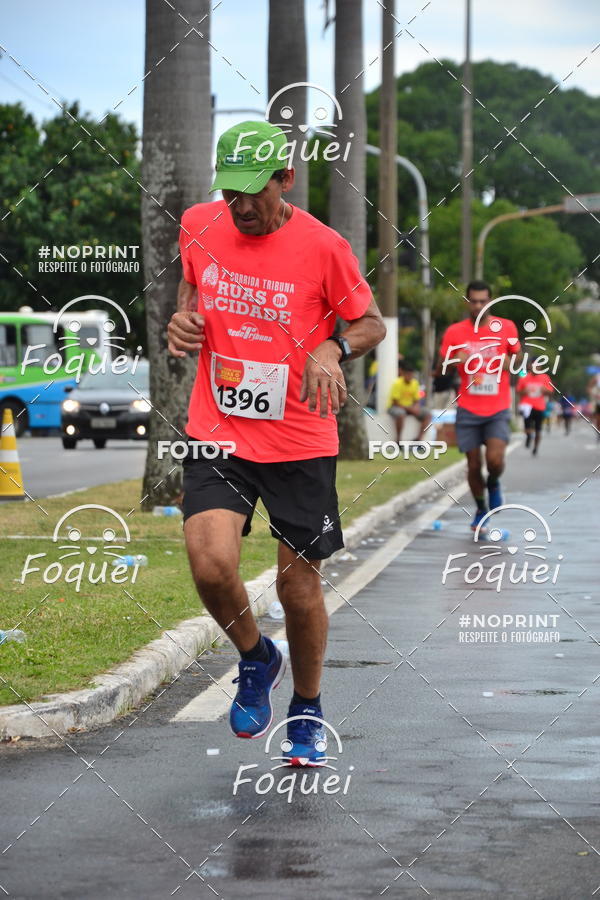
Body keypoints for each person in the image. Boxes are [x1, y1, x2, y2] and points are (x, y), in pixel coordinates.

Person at [167, 121, 385, 765]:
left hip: (299, 437)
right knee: (210, 565)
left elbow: (369, 322)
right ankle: (257, 657)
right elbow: (191, 284)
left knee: (298, 586)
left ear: (284, 179)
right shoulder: (198, 224)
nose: (240, 206)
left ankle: (307, 709)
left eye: (252, 192)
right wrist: (184, 319)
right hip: (218, 426)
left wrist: (333, 347)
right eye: (229, 192)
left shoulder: (324, 247)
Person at [436, 280, 521, 531]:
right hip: (468, 407)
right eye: (474, 301)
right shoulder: (455, 332)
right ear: (467, 302)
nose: (478, 306)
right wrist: (455, 359)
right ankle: (482, 509)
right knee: (473, 465)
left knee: (494, 460)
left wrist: (509, 362)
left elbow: (517, 359)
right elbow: (441, 367)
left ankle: (493, 482)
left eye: (483, 301)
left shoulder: (506, 327)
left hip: (497, 407)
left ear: (490, 302)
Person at [387, 361, 432, 442]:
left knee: (428, 414)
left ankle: (419, 439)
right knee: (400, 414)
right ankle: (398, 440)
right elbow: (395, 402)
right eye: (408, 374)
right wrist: (411, 409)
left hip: (410, 407)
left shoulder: (415, 383)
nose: (410, 376)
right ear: (403, 374)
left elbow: (416, 400)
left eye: (411, 374)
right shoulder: (397, 383)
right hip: (397, 407)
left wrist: (416, 407)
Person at [517, 361, 553, 455]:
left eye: (538, 366)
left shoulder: (545, 377)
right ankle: (529, 436)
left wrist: (545, 390)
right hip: (527, 406)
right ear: (529, 366)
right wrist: (524, 391)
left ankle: (536, 448)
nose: (535, 368)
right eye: (533, 365)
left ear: (540, 367)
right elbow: (518, 391)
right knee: (527, 427)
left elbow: (551, 391)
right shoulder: (524, 376)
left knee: (538, 430)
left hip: (539, 406)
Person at [587, 372, 600, 441]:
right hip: (598, 402)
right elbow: (589, 388)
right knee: (598, 419)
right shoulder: (597, 377)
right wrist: (593, 394)